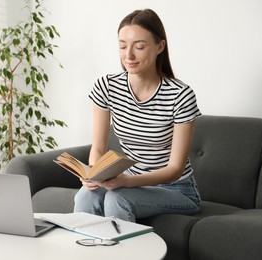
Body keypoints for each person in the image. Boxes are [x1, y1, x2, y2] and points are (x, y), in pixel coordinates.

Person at [74, 9, 202, 222]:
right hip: (129, 180)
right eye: (122, 45)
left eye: (139, 47)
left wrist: (125, 182)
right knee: (86, 196)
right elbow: (98, 148)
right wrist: (94, 174)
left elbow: (175, 169)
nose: (128, 55)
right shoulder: (106, 86)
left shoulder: (180, 95)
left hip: (176, 189)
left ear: (160, 47)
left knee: (117, 199)